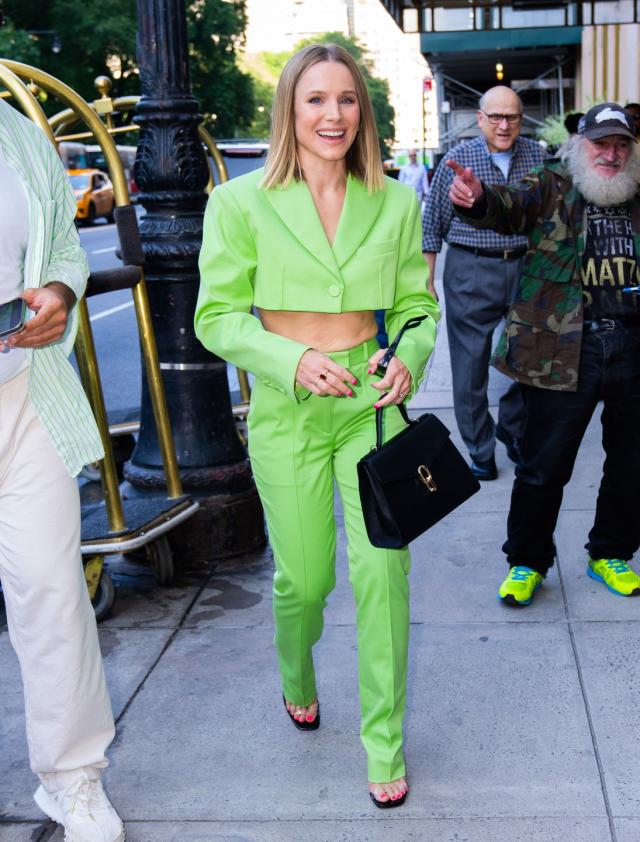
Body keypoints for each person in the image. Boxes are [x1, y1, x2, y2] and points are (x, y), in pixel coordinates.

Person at [195, 44, 439, 807]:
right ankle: (296, 673)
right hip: (288, 411)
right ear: (290, 112)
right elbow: (217, 317)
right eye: (315, 100)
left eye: (346, 100)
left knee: (383, 574)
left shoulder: (396, 201)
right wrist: (290, 359)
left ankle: (384, 743)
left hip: (373, 409)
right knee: (306, 580)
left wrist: (409, 359)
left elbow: (414, 309)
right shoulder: (238, 203)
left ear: (362, 111)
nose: (332, 115)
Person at [448, 101, 640, 606]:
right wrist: (476, 199)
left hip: (633, 347)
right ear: (582, 145)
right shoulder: (551, 185)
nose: (612, 154)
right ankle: (527, 561)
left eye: (621, 144)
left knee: (631, 464)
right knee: (543, 467)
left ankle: (610, 553)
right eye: (602, 143)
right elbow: (508, 206)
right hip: (563, 350)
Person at [0, 99, 123, 841]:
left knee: (52, 592)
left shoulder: (17, 134)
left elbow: (66, 251)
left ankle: (74, 781)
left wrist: (60, 293)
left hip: (28, 392)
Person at [422, 86, 547, 480]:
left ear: (521, 118)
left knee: (529, 359)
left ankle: (511, 429)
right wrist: (427, 280)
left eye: (512, 116)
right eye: (495, 117)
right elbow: (432, 225)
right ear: (480, 119)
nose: (504, 124)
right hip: (470, 268)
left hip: (525, 267)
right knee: (470, 365)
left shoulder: (537, 156)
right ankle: (480, 449)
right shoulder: (458, 160)